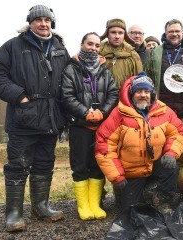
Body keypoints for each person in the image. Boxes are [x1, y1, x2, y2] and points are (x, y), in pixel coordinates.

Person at [0, 5, 70, 232]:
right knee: (17, 165)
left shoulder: (59, 48)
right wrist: (19, 97)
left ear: (52, 23)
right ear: (30, 22)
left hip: (51, 118)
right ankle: (14, 213)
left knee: (44, 164)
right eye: (38, 19)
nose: (43, 23)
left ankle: (41, 206)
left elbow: (69, 78)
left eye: (47, 20)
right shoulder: (13, 46)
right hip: (23, 118)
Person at [94, 72, 183, 214]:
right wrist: (116, 176)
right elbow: (104, 146)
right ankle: (123, 193)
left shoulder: (164, 111)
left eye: (146, 91)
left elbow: (179, 133)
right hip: (131, 173)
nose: (143, 95)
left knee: (171, 168)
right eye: (138, 91)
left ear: (152, 94)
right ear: (132, 94)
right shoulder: (118, 114)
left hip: (155, 165)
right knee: (131, 211)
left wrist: (171, 153)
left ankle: (161, 199)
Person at [61, 32, 119, 220]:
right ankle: (83, 206)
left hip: (101, 127)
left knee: (97, 165)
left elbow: (113, 93)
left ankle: (95, 204)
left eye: (96, 45)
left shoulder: (104, 69)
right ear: (82, 44)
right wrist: (86, 113)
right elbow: (67, 96)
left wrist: (103, 111)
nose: (93, 48)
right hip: (79, 126)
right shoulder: (71, 68)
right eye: (89, 44)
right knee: (80, 165)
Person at [100, 18, 143, 89]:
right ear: (107, 34)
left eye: (120, 33)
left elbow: (139, 81)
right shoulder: (97, 53)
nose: (117, 36)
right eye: (113, 32)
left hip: (125, 97)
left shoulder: (133, 55)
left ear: (124, 35)